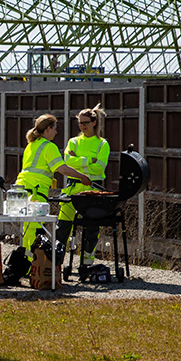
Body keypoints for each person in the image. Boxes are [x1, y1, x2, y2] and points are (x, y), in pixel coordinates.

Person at [4, 114, 90, 284]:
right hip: (35, 193)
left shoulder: (31, 145)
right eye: (55, 128)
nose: (56, 132)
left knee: (28, 233)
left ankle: (26, 269)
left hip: (21, 191)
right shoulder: (48, 146)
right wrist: (82, 177)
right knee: (36, 234)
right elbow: (62, 169)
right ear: (48, 129)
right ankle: (28, 270)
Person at [57, 105, 110, 273]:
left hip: (93, 191)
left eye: (85, 123)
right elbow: (67, 162)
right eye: (80, 123)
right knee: (63, 227)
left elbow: (100, 168)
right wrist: (89, 161)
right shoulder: (73, 141)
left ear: (94, 122)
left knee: (91, 229)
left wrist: (78, 160)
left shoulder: (102, 144)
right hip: (72, 188)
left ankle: (86, 265)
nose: (82, 126)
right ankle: (56, 263)